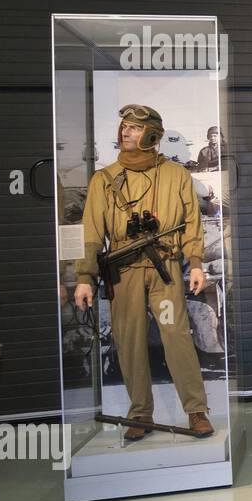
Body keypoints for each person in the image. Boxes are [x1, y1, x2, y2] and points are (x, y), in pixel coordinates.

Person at [72, 105, 214, 442]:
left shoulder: (176, 176)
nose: (126, 133)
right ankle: (140, 413)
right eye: (124, 127)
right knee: (129, 340)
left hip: (164, 268)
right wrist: (84, 277)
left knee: (176, 335)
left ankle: (196, 410)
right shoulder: (104, 179)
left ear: (151, 134)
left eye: (135, 128)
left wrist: (195, 262)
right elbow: (91, 233)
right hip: (123, 271)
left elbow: (192, 223)